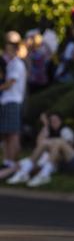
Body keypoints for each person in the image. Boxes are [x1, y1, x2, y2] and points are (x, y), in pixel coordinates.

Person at [5, 111, 74, 186]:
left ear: (60, 121)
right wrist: (45, 125)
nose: (53, 122)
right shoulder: (48, 131)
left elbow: (67, 147)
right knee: (19, 165)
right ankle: (22, 173)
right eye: (51, 121)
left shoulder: (65, 130)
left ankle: (34, 174)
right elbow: (39, 144)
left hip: (57, 159)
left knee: (20, 166)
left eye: (55, 120)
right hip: (44, 158)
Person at [0, 31, 27, 168]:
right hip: (7, 101)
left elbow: (10, 82)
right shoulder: (10, 64)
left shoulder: (16, 64)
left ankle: (11, 162)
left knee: (13, 133)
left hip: (13, 101)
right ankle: (7, 161)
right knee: (6, 133)